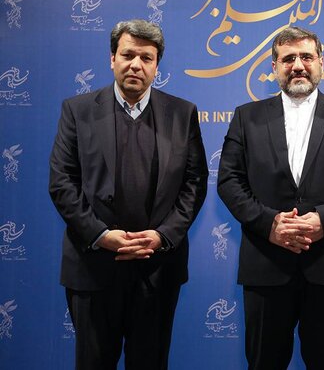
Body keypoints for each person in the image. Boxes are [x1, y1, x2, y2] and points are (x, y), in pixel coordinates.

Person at [217, 26, 324, 369]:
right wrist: (270, 224)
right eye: (288, 58)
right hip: (265, 263)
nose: (298, 65)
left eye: (306, 56)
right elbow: (229, 181)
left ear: (321, 62)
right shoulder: (247, 116)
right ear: (274, 67)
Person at [49, 19, 208, 370]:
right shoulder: (77, 110)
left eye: (146, 58)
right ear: (112, 59)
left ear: (157, 65)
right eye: (128, 55)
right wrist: (100, 235)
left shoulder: (182, 113)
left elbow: (195, 183)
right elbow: (62, 182)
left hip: (157, 269)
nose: (136, 64)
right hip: (93, 267)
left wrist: (163, 236)